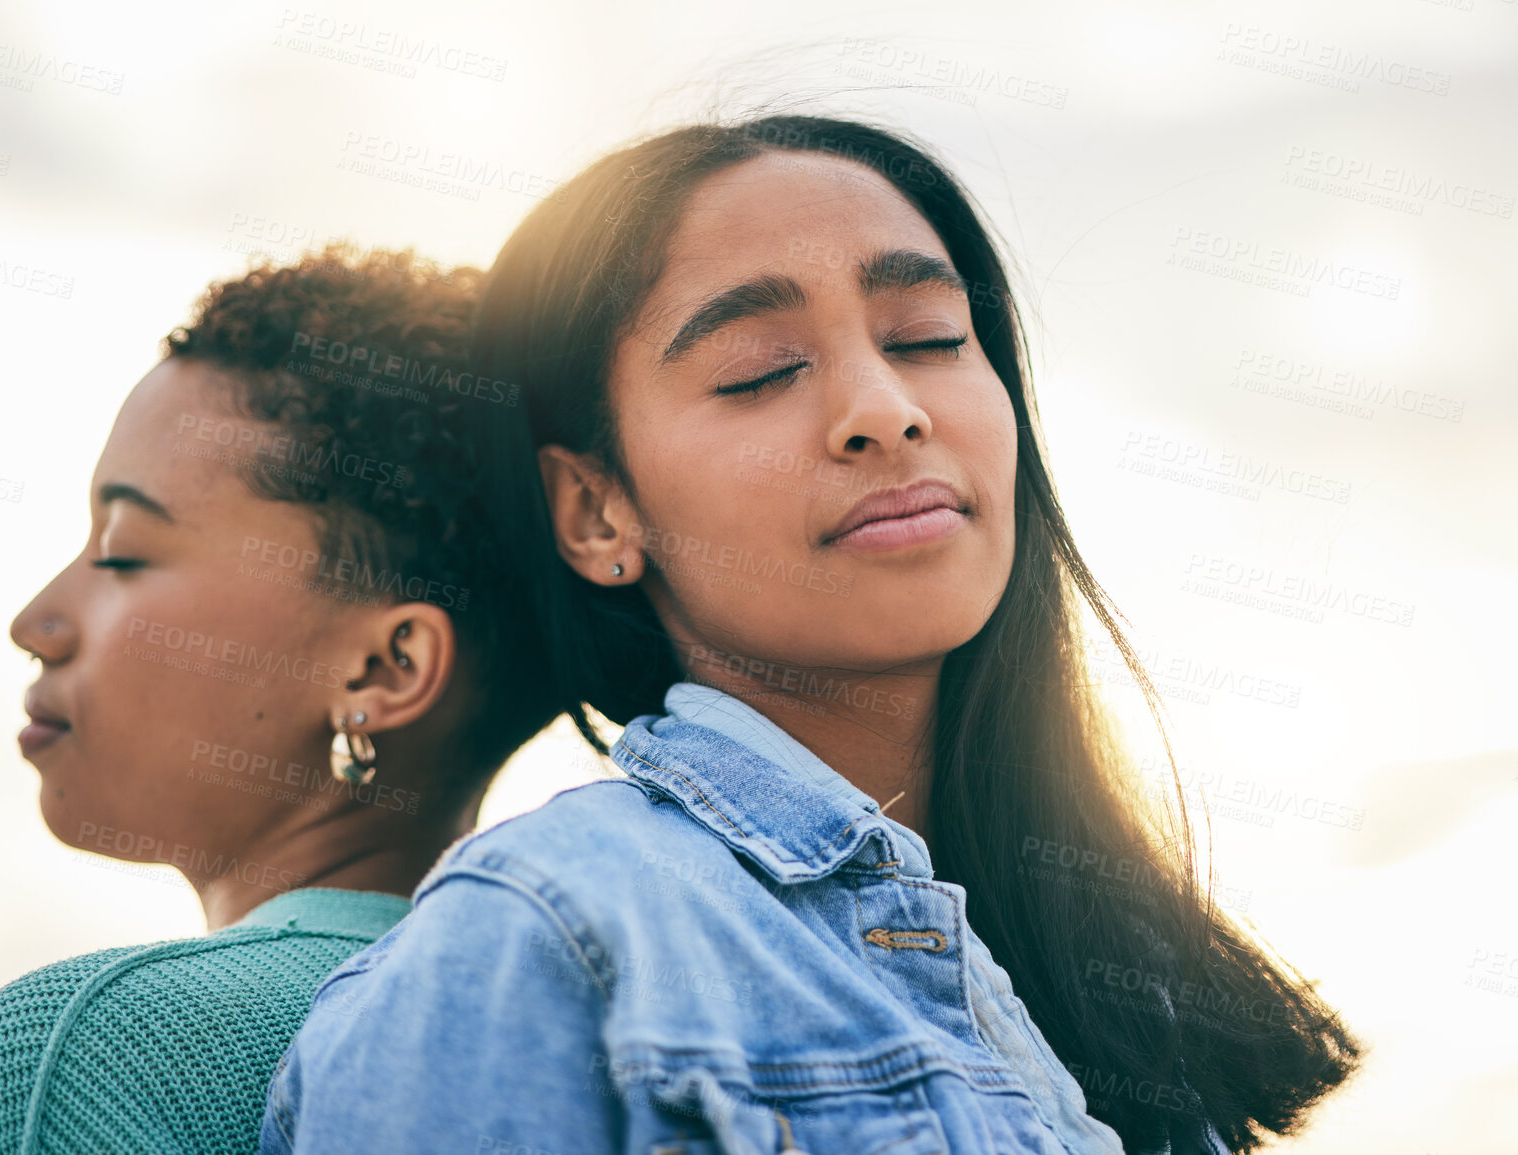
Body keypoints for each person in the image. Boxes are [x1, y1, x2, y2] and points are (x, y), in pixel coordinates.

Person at [263, 117, 1360, 1155]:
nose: (884, 408)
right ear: (599, 513)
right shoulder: (544, 942)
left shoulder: (1118, 969)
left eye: (929, 338)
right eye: (762, 370)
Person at [0, 246, 557, 1155]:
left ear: (384, 667)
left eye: (124, 551)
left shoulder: (98, 1056)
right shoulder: (596, 1040)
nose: (37, 621)